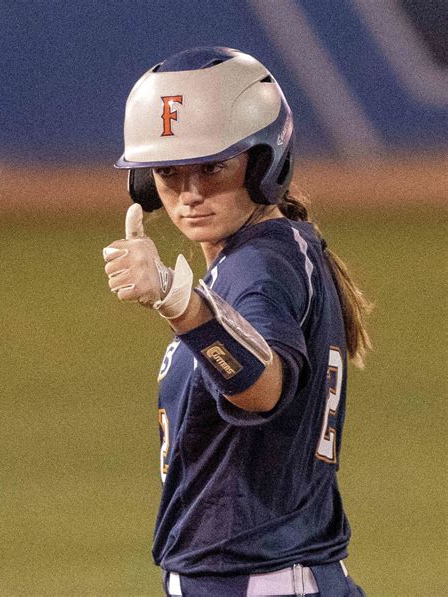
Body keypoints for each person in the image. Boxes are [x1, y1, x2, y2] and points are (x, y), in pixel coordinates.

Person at [103, 47, 371, 597]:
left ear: (264, 160)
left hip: (259, 584)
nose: (191, 193)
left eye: (212, 166)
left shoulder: (259, 266)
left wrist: (180, 304)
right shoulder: (269, 253)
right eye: (169, 172)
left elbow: (262, 388)